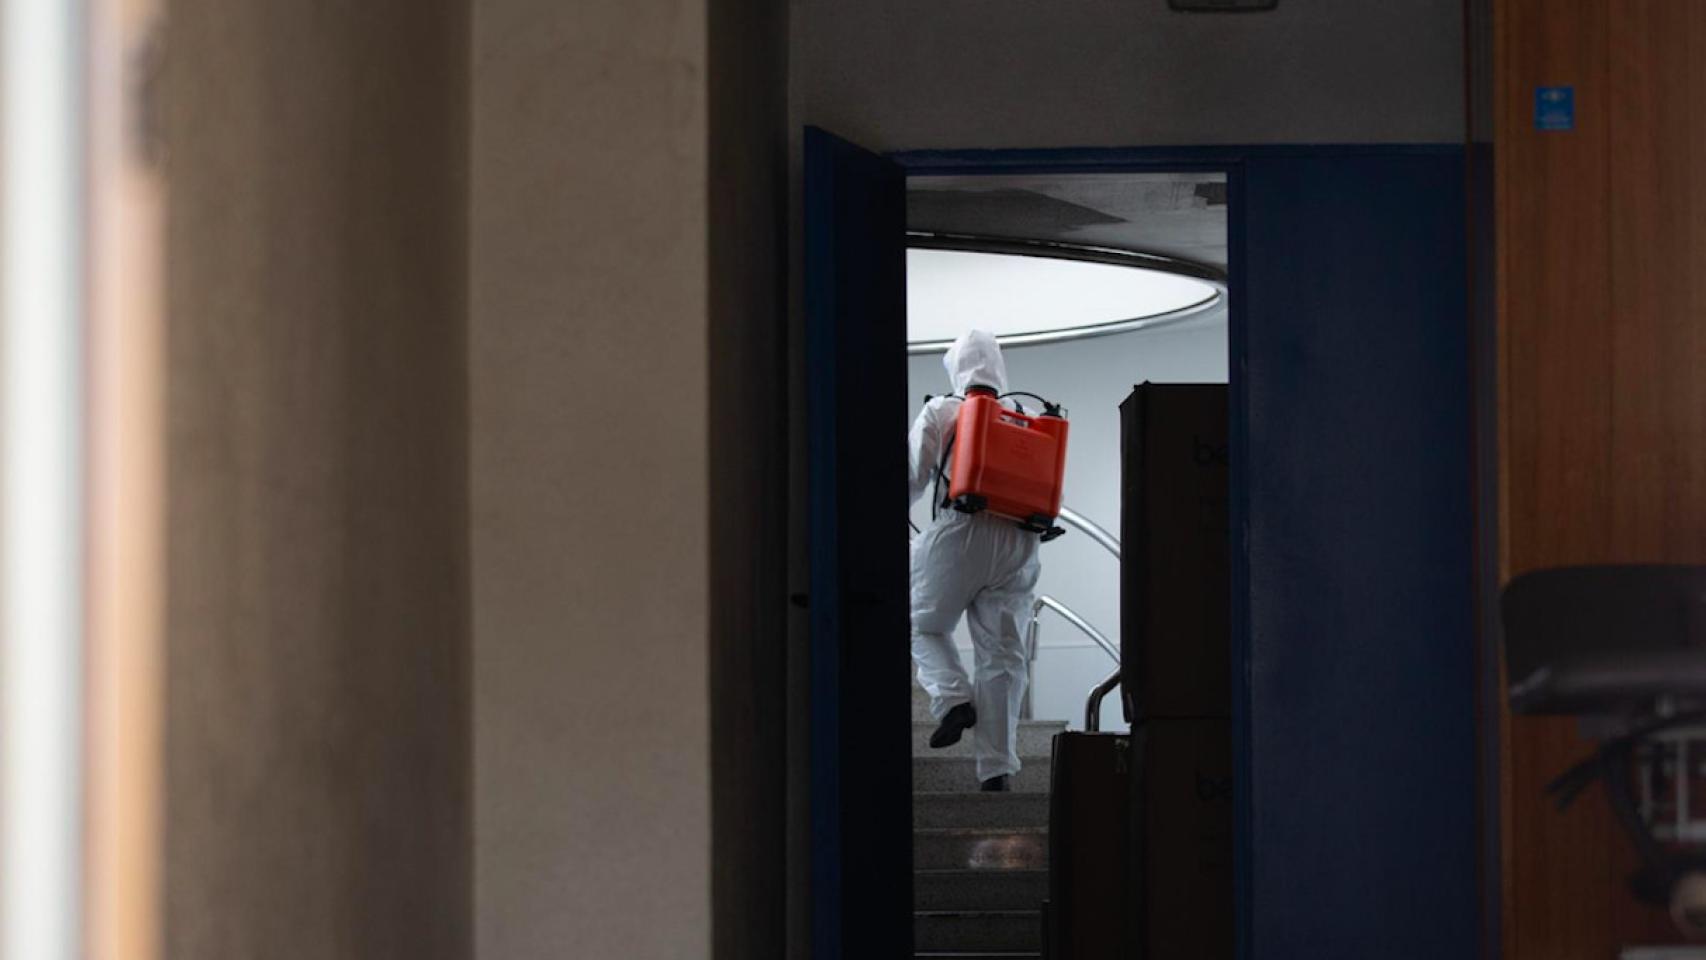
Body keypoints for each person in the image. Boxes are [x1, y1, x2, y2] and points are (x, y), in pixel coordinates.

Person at [909, 329, 1042, 792]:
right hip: (1020, 542)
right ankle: (997, 769)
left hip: (961, 532)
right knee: (1003, 656)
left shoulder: (943, 410)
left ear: (955, 368)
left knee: (920, 622)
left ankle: (951, 700)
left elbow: (911, 478)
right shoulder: (1025, 414)